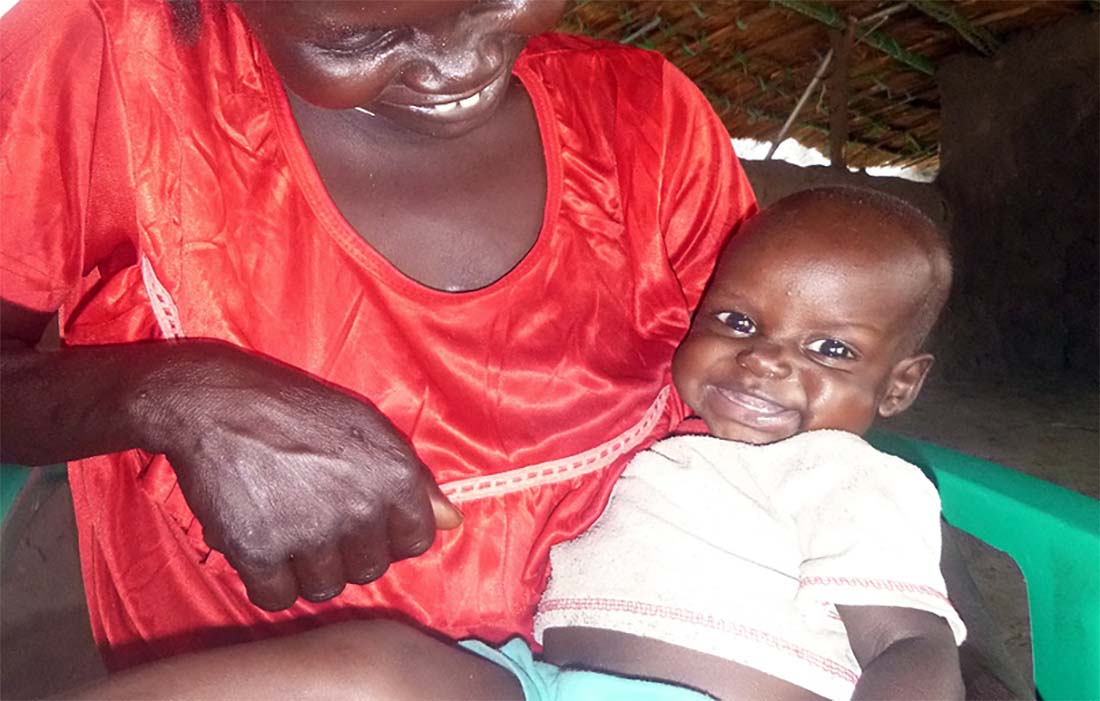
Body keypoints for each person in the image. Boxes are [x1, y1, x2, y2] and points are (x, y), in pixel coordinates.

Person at [0, 1, 1026, 697]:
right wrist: (173, 393)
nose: (460, 65)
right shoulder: (104, 63)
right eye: (366, 31)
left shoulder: (646, 120)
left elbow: (789, 429)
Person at [65, 187, 964, 701]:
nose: (765, 362)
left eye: (830, 349)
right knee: (377, 666)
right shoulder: (667, 442)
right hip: (538, 683)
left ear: (899, 385)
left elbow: (910, 645)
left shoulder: (853, 478)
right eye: (736, 319)